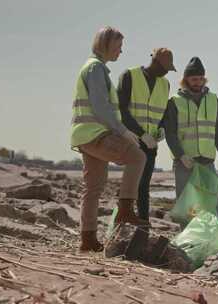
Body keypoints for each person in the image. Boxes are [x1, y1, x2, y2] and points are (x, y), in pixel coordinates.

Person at [70, 26, 146, 252]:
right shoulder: (96, 69)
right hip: (95, 134)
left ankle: (88, 239)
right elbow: (101, 106)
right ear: (106, 45)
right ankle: (125, 211)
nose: (121, 52)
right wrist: (122, 131)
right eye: (119, 46)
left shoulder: (94, 68)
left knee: (93, 187)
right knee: (137, 157)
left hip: (84, 135)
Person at [162, 57, 218, 215]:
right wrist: (180, 155)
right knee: (186, 206)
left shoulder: (213, 99)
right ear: (185, 80)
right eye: (194, 79)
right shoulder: (174, 101)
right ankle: (187, 239)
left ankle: (211, 238)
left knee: (211, 204)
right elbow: (170, 133)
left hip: (207, 161)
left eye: (201, 79)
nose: (198, 83)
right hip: (185, 162)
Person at [117, 48, 176, 224]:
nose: (167, 72)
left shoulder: (164, 84)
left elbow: (162, 112)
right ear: (156, 63)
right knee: (130, 185)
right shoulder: (129, 76)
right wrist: (141, 134)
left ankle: (143, 224)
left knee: (144, 186)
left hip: (151, 143)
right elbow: (120, 109)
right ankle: (122, 220)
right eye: (166, 68)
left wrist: (162, 130)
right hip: (131, 140)